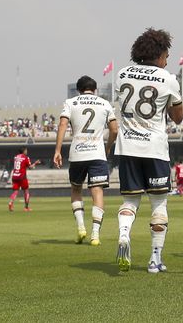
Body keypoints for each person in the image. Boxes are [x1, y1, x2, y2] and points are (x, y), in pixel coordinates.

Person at [114, 28, 183, 274]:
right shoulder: (168, 78)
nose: (168, 59)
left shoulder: (122, 74)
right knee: (158, 204)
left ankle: (124, 235)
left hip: (127, 146)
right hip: (154, 148)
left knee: (130, 200)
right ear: (160, 52)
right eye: (167, 54)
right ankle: (155, 259)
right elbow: (177, 117)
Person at [53, 75, 118, 245]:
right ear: (94, 89)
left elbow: (62, 125)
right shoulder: (104, 103)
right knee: (97, 192)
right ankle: (95, 235)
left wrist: (58, 150)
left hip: (78, 154)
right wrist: (108, 146)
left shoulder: (71, 102)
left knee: (76, 189)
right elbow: (115, 130)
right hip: (97, 154)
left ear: (79, 89)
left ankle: (81, 228)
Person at [8, 147, 40, 211]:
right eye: (26, 150)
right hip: (22, 177)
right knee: (26, 191)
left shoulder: (15, 157)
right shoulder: (26, 157)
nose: (27, 152)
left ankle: (11, 202)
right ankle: (26, 207)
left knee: (15, 191)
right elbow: (30, 167)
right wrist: (36, 163)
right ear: (24, 151)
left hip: (14, 176)